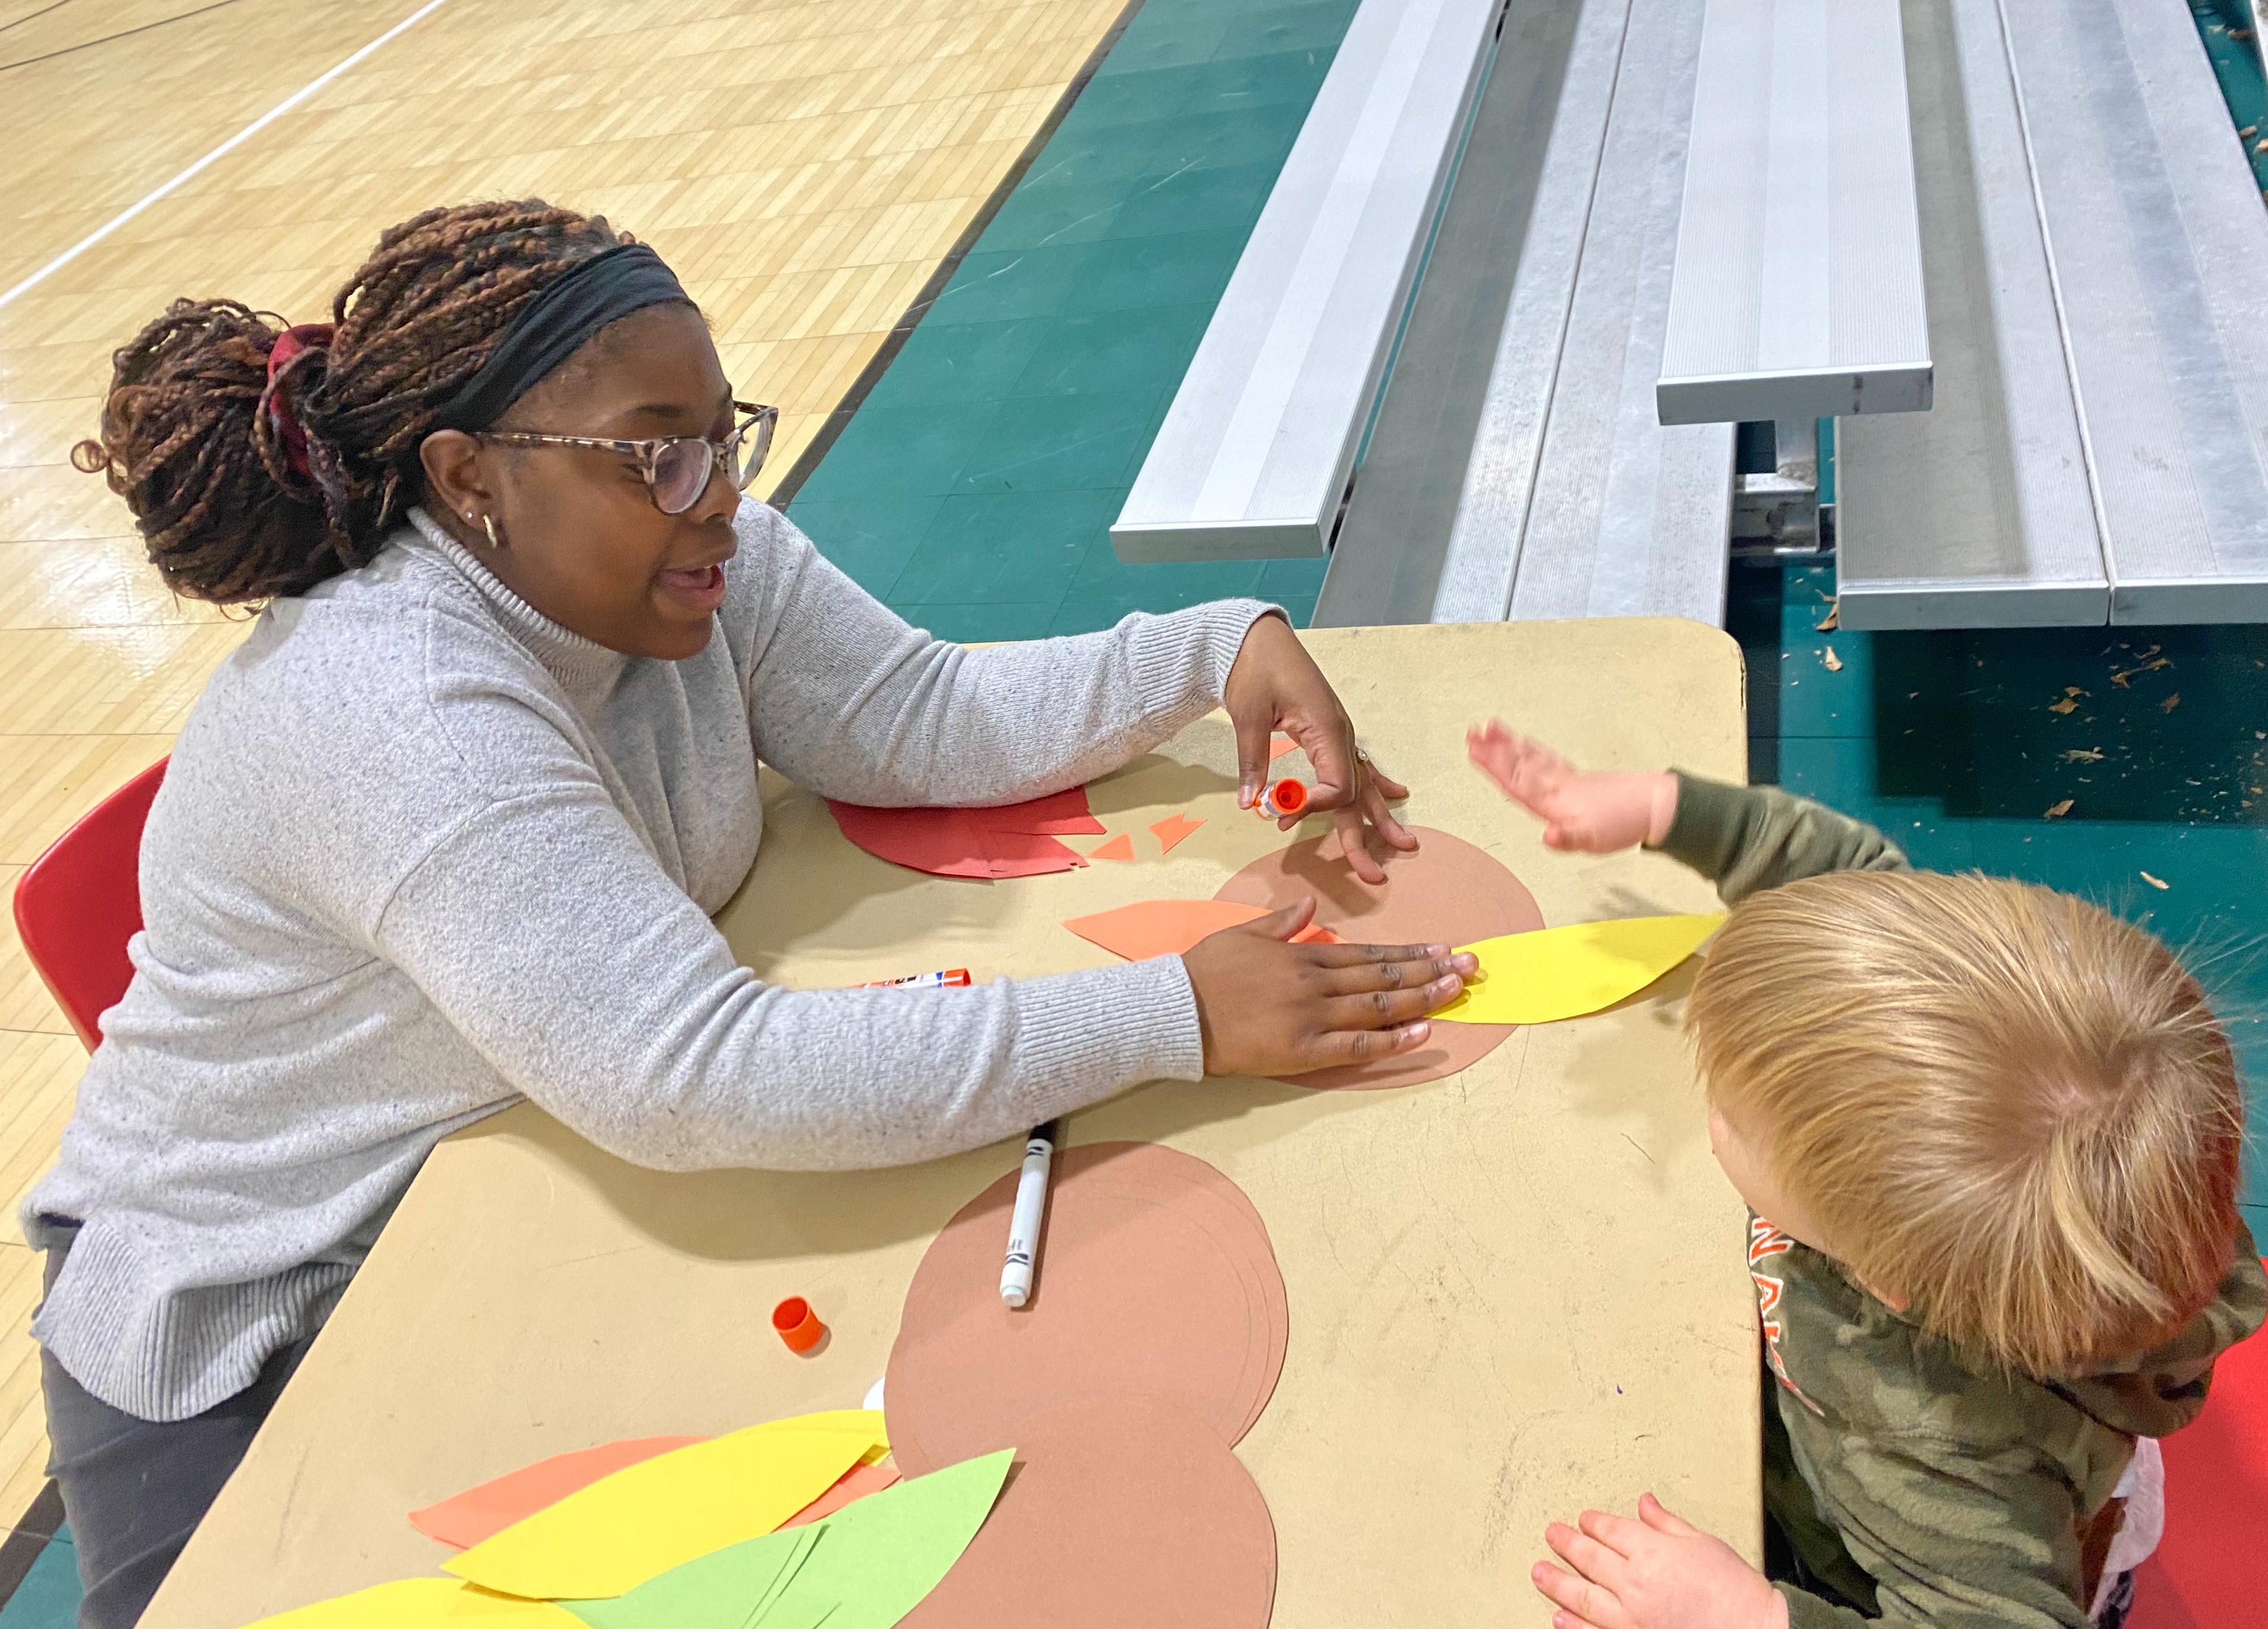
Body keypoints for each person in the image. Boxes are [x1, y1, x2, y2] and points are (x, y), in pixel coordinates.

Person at [39, 198, 1477, 1625]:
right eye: (658, 453)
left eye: (723, 434)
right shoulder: (395, 706)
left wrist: (1208, 647)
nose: (718, 491)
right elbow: (693, 1073)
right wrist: (1173, 1014)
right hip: (263, 1320)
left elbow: (915, 714)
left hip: (508, 1191)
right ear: (471, 476)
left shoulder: (688, 556)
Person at [1464, 725, 2266, 1629]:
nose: (1708, 1114)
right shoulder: (2074, 1155)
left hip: (1953, 1553)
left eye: (1729, 1116)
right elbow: (1846, 877)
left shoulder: (1940, 1452)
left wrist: (1750, 1618)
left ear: (1879, 1276)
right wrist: (1665, 808)